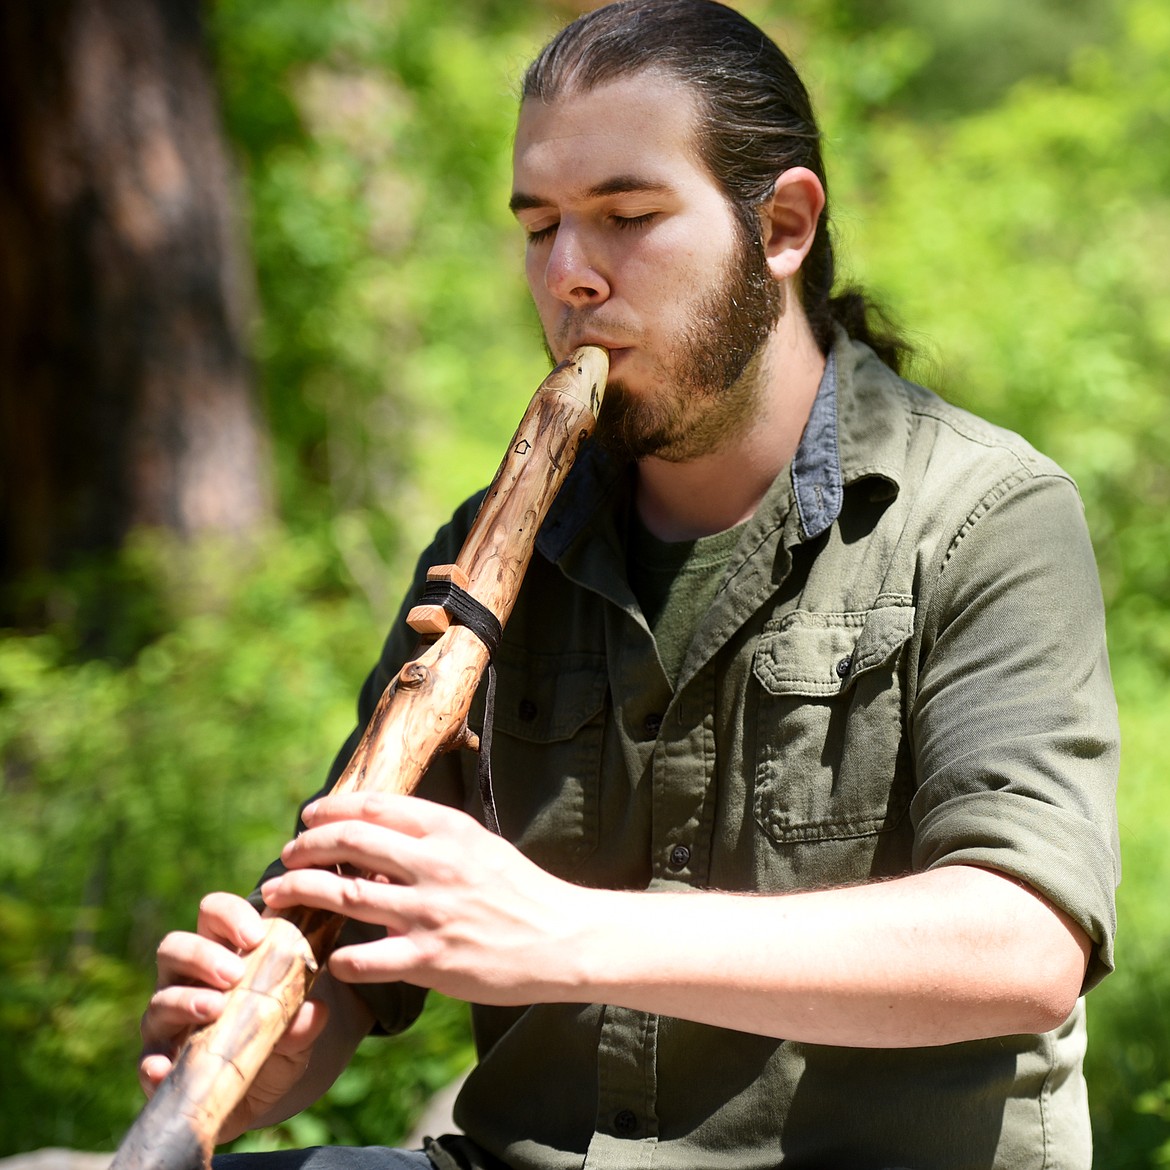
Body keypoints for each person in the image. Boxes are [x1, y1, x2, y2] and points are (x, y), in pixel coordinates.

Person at [138, 2, 1121, 1167]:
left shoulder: (985, 518)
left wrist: (569, 933)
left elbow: (1021, 943)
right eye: (540, 225)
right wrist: (289, 1041)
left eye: (627, 216)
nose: (569, 278)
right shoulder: (492, 545)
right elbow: (363, 943)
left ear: (785, 226)